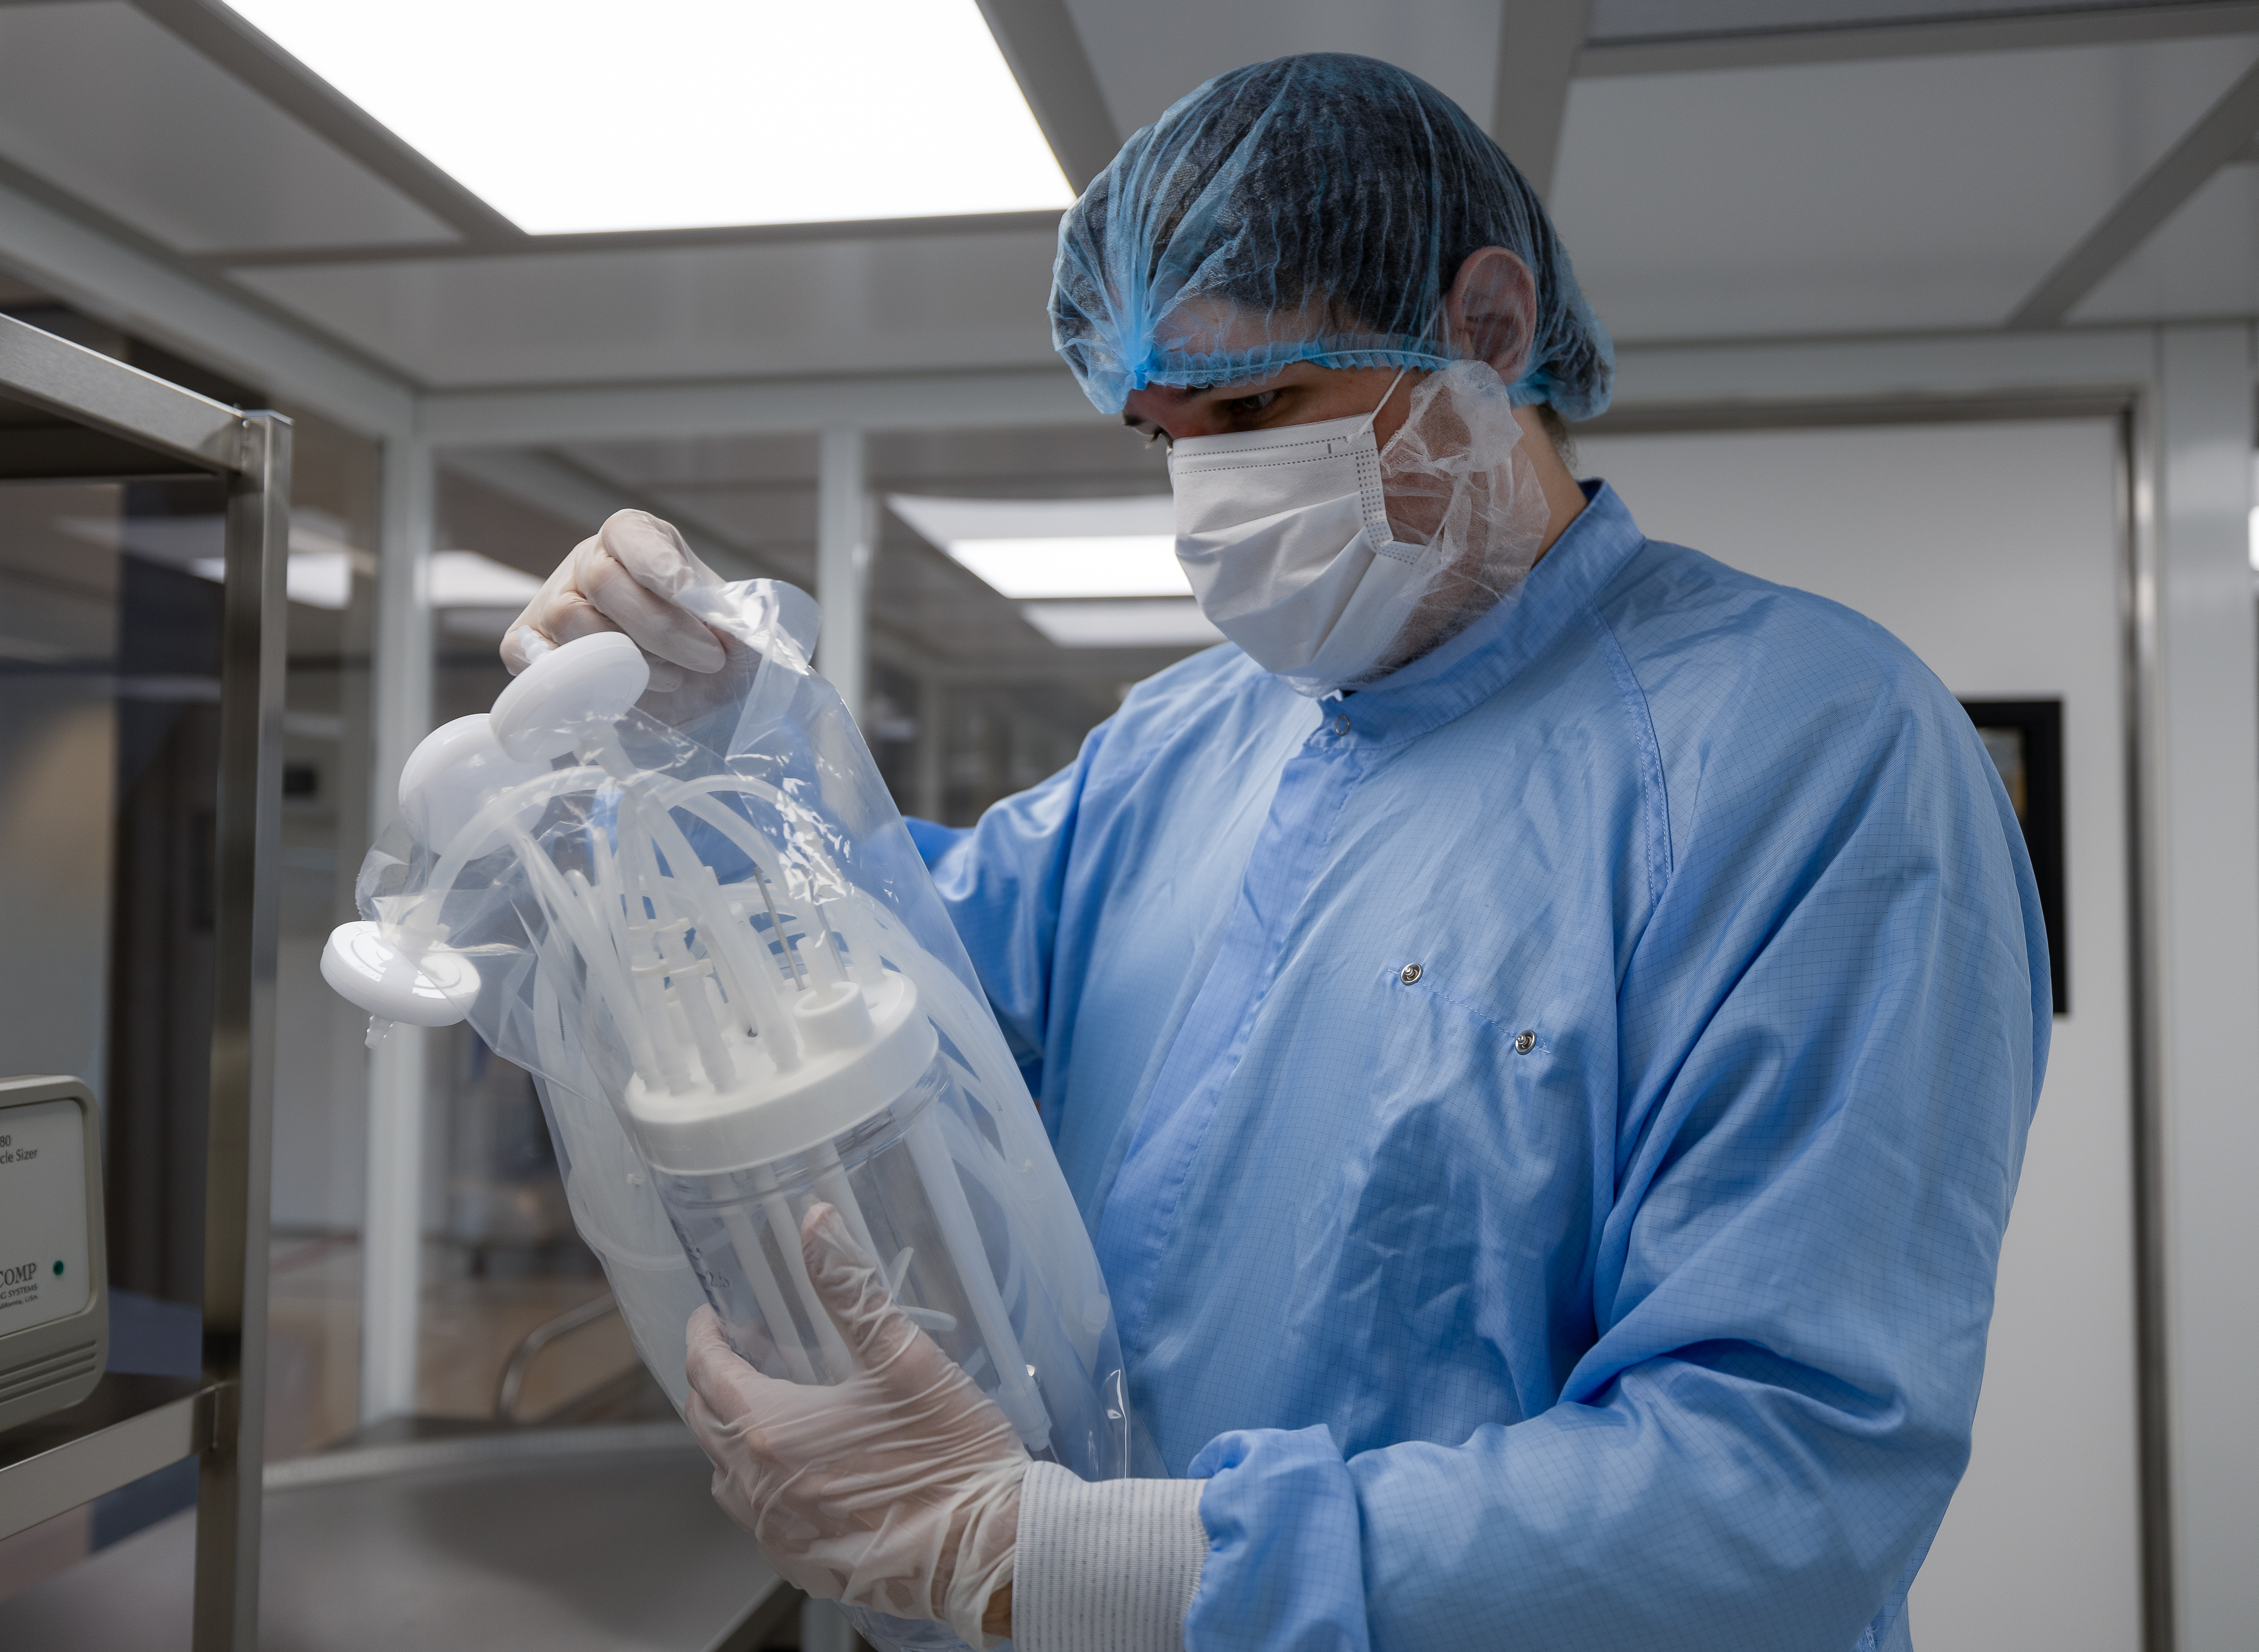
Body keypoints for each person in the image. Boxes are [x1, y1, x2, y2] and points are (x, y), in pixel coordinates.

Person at [505, 53, 2048, 1652]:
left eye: (1255, 410)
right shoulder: (1193, 739)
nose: (1209, 497)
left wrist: (1067, 1562)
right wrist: (712, 755)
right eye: (1164, 436)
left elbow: (1781, 1483)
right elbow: (909, 985)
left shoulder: (1803, 748)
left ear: (1489, 331)